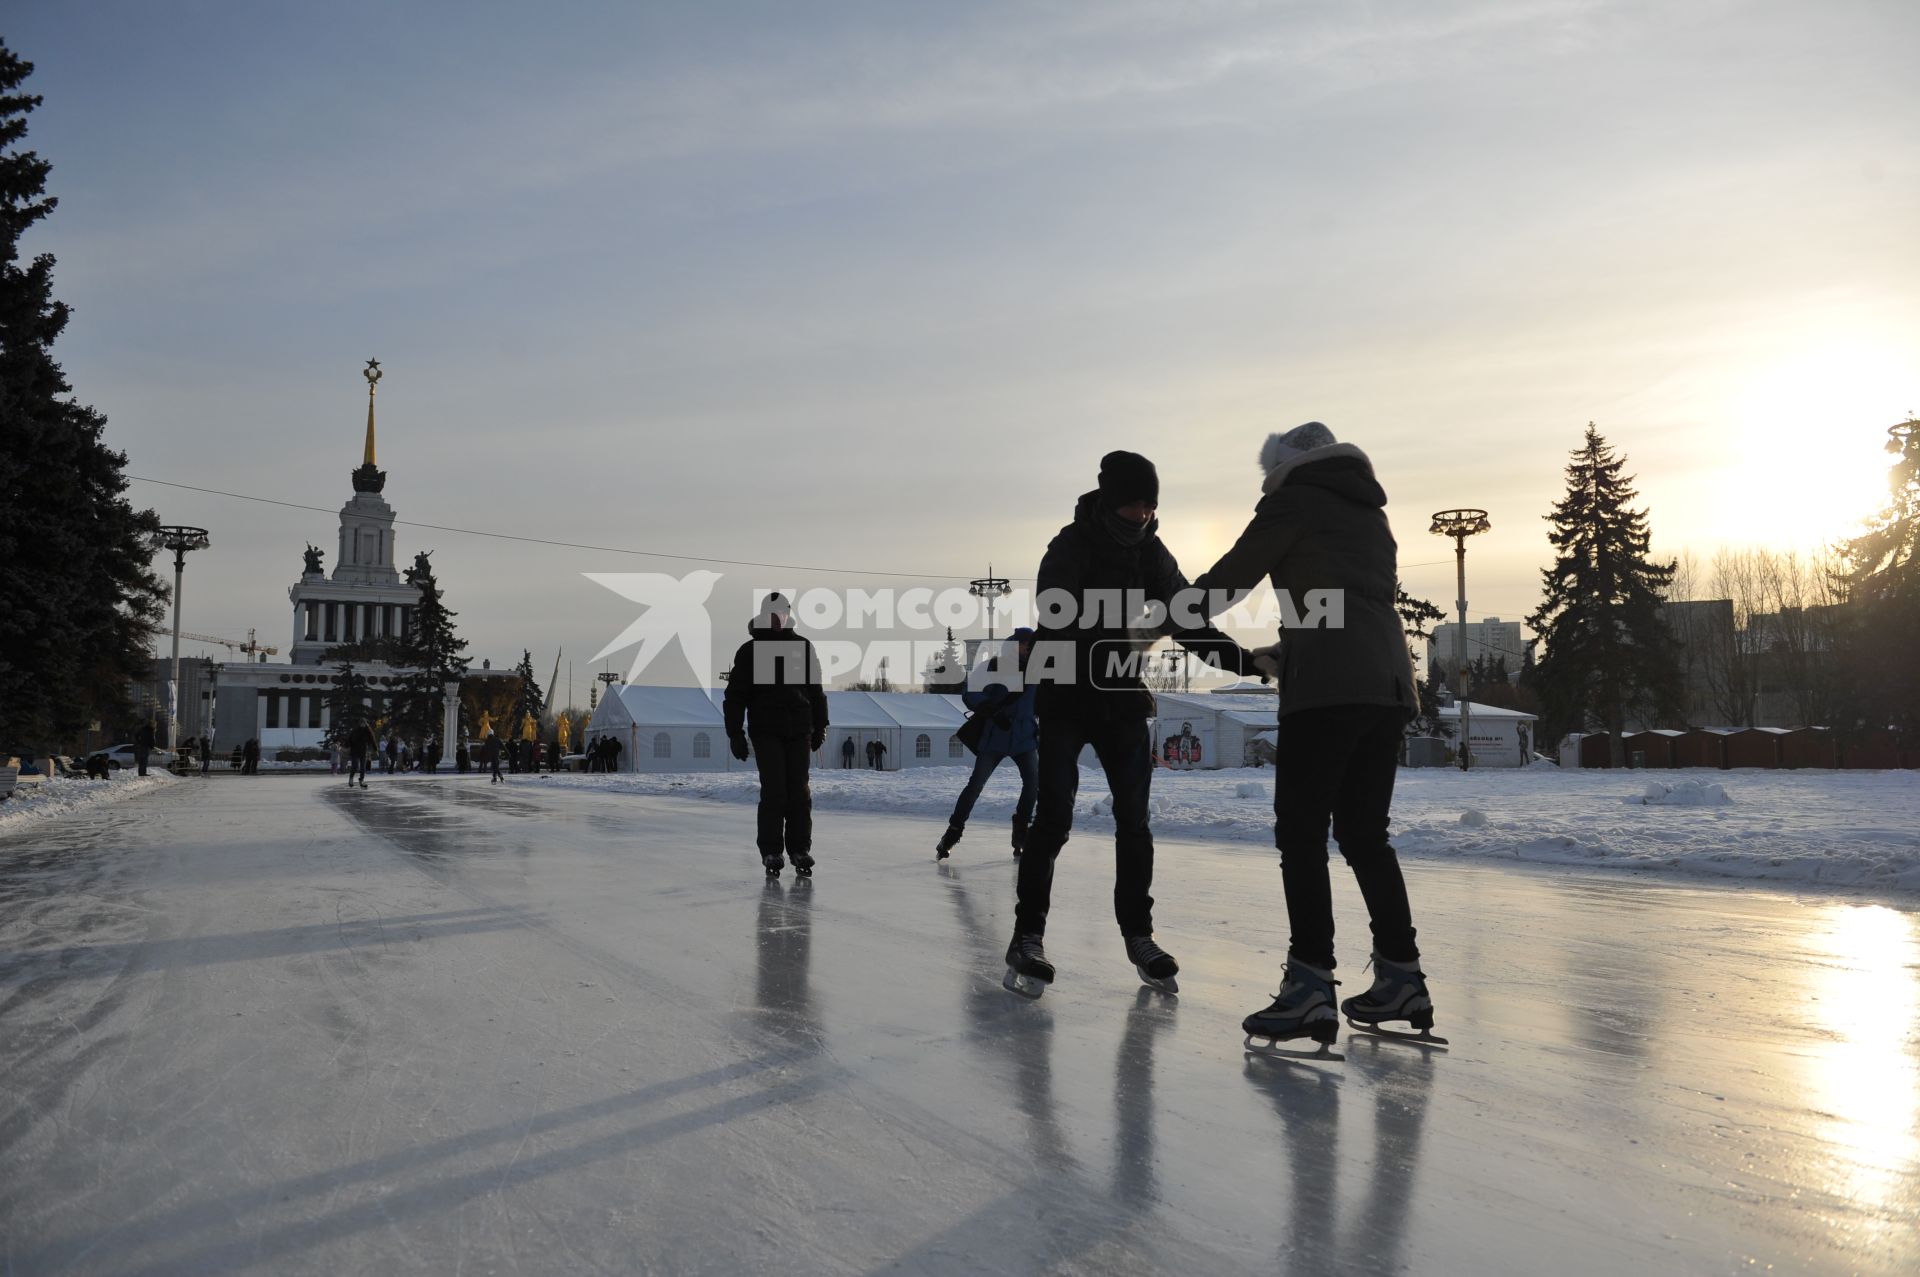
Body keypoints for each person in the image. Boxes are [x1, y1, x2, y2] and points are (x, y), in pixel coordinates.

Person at [1192, 421, 1433, 1048]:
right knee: (1362, 833)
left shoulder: (1294, 500)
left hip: (1328, 691)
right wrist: (1289, 646)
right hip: (1386, 684)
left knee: (1300, 833)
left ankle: (1308, 986)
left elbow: (1231, 579)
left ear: (1284, 465)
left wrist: (1164, 612)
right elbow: (1342, 599)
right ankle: (1402, 977)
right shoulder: (1367, 510)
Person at [1006, 450, 1257, 999]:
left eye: (1150, 506)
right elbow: (1059, 615)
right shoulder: (1068, 546)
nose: (1142, 514)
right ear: (1110, 500)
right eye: (1133, 504)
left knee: (1134, 822)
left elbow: (1189, 617)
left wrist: (1248, 661)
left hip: (1122, 698)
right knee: (1053, 820)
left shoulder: (1153, 553)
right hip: (1068, 696)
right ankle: (1028, 936)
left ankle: (1138, 935)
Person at [723, 593, 829, 879]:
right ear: (763, 616)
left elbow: (815, 691)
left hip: (799, 729)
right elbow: (735, 696)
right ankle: (771, 850)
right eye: (772, 614)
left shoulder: (802, 647)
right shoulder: (751, 651)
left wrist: (820, 725)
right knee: (774, 791)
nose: (778, 618)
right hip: (766, 730)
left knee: (799, 791)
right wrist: (734, 733)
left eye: (782, 613)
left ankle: (799, 849)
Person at [937, 627, 1040, 860]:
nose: (1028, 648)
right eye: (1024, 644)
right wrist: (990, 709)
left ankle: (1021, 829)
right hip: (996, 735)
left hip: (1024, 737)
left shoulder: (1039, 669)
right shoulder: (994, 666)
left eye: (1031, 644)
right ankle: (953, 831)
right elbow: (970, 693)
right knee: (976, 785)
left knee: (1033, 783)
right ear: (1014, 645)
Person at [345, 720, 374, 788]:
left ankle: (361, 780)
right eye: (362, 723)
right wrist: (348, 745)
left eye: (365, 723)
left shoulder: (367, 732)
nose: (364, 725)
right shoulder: (355, 731)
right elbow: (350, 739)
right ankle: (351, 778)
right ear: (360, 724)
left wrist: (371, 747)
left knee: (363, 768)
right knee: (355, 766)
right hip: (355, 751)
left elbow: (371, 739)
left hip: (363, 752)